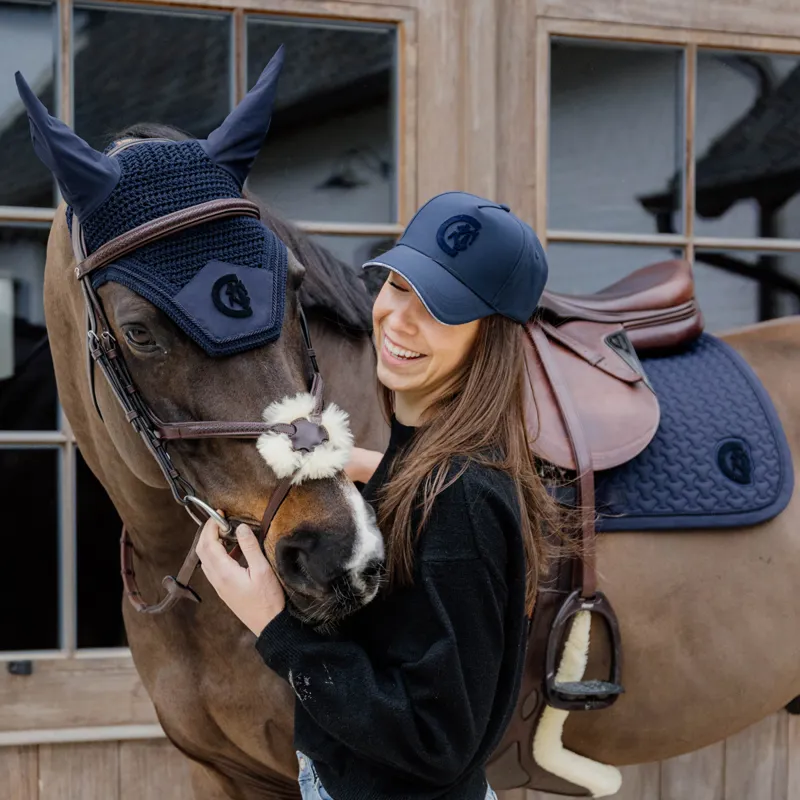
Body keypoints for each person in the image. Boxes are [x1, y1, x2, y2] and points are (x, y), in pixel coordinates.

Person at [196, 190, 561, 800]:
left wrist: (273, 624)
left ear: (490, 337)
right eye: (397, 285)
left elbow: (436, 743)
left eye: (441, 309)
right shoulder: (429, 459)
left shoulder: (463, 497)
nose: (399, 320)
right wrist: (368, 465)